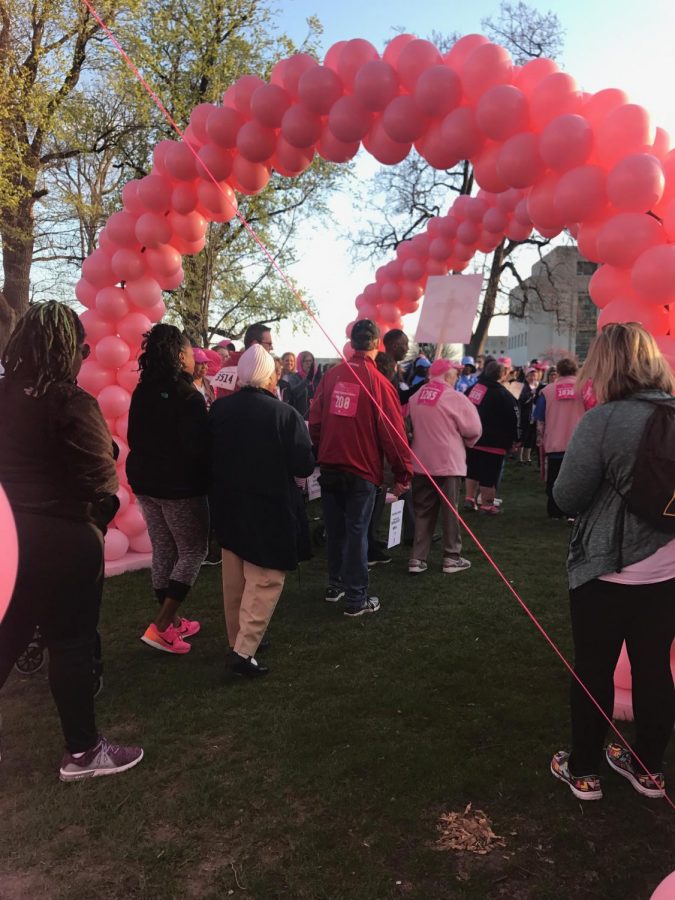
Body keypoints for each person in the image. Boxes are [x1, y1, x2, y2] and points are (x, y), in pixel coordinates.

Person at [0, 301, 143, 780]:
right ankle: (82, 753)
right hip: (61, 537)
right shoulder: (67, 400)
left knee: (9, 634)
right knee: (70, 643)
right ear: (67, 348)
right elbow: (102, 484)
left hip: (11, 538)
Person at [550, 323, 675, 802]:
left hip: (607, 568)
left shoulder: (602, 420)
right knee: (653, 667)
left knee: (594, 667)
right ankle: (649, 769)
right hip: (667, 569)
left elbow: (566, 495)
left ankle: (584, 770)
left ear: (603, 364)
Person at [209, 345, 315, 677]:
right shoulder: (284, 414)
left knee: (234, 576)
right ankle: (243, 651)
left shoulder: (219, 410)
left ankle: (239, 640)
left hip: (227, 501)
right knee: (265, 578)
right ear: (271, 376)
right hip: (268, 504)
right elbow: (304, 463)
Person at [309, 319, 412, 616]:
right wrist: (403, 472)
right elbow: (393, 433)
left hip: (331, 465)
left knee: (337, 528)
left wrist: (321, 447)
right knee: (355, 532)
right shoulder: (379, 383)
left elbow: (314, 419)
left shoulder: (332, 376)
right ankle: (355, 597)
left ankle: (337, 584)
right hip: (361, 470)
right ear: (377, 344)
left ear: (352, 343)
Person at [126, 324, 210, 654]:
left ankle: (173, 623)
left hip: (146, 482)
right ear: (179, 355)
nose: (193, 357)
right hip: (179, 486)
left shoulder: (142, 391)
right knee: (192, 550)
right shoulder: (189, 397)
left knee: (163, 548)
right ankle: (162, 625)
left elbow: (133, 438)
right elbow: (197, 449)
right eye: (190, 351)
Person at [407, 359, 482, 575]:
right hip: (448, 462)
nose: (458, 377)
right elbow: (474, 429)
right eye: (455, 373)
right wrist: (467, 443)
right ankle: (451, 557)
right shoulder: (455, 398)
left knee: (423, 511)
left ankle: (417, 558)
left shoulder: (415, 397)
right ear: (448, 375)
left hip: (420, 462)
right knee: (450, 511)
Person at [464, 361, 519, 515]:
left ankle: (469, 498)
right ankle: (487, 505)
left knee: (472, 470)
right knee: (490, 474)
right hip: (494, 441)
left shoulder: (473, 388)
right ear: (502, 375)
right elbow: (514, 416)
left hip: (473, 439)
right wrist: (516, 438)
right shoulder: (503, 393)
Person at [533, 358, 586, 519]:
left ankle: (554, 510)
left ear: (559, 372)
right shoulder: (585, 389)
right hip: (579, 443)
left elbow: (539, 418)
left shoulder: (547, 391)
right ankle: (573, 511)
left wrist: (540, 439)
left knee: (554, 479)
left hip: (554, 442)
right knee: (576, 480)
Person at [213, 323, 273, 398]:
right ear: (255, 344)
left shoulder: (227, 365)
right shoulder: (257, 367)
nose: (271, 348)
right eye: (269, 344)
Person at [518, 368, 539, 464]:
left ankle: (528, 457)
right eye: (530, 375)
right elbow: (521, 400)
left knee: (531, 437)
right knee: (523, 436)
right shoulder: (523, 387)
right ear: (526, 377)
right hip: (525, 415)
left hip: (534, 415)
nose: (532, 377)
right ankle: (520, 458)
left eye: (534, 375)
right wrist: (531, 394)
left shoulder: (537, 386)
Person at [279, 351, 309, 416]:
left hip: (295, 410)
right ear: (282, 362)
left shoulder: (298, 377)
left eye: (292, 361)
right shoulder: (277, 375)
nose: (289, 362)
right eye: (287, 360)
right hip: (280, 407)